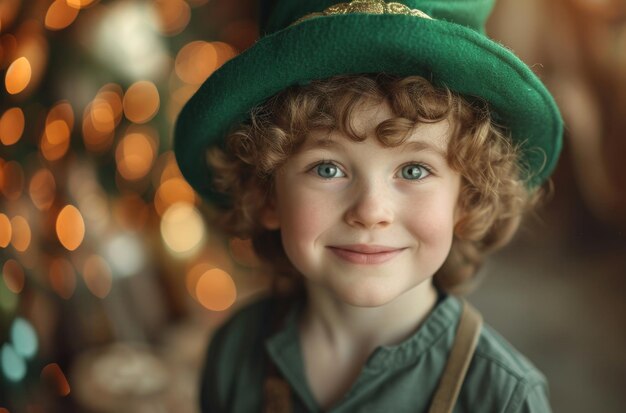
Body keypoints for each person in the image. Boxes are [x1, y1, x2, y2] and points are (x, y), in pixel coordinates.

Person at [174, 1, 563, 412]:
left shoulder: (505, 398)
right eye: (327, 168)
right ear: (266, 193)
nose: (371, 210)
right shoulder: (234, 354)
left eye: (413, 170)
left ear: (466, 199)